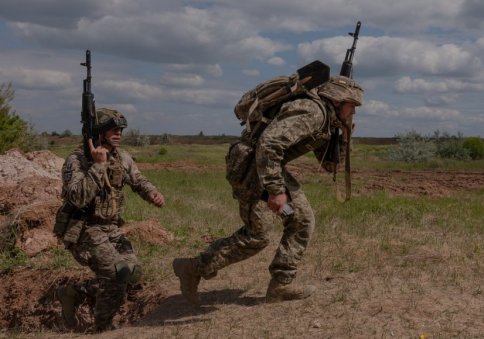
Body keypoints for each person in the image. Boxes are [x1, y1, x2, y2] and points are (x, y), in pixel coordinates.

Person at [173, 75, 363, 303]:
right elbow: (269, 143)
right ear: (338, 100)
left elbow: (329, 165)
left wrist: (344, 136)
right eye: (352, 105)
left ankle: (280, 286)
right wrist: (276, 190)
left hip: (268, 166)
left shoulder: (326, 120)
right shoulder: (313, 112)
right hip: (251, 167)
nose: (354, 111)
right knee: (258, 236)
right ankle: (192, 268)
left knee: (301, 220)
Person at [54, 108, 165, 331]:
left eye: (121, 129)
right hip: (85, 229)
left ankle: (74, 292)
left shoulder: (121, 157)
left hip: (112, 228)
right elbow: (77, 197)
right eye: (114, 129)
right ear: (100, 131)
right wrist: (97, 165)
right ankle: (102, 329)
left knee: (132, 273)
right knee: (116, 274)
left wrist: (152, 193)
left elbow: (138, 180)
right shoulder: (77, 159)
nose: (119, 133)